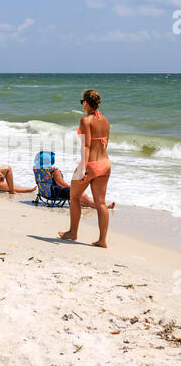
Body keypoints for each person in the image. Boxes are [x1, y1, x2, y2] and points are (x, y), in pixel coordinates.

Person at [59, 90, 111, 248]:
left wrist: (83, 168)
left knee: (74, 196)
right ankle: (102, 240)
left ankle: (72, 232)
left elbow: (86, 145)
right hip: (105, 164)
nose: (82, 103)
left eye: (82, 101)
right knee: (101, 203)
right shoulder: (106, 121)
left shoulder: (85, 120)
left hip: (91, 165)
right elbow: (105, 143)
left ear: (86, 103)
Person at [50, 166, 114, 210]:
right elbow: (62, 184)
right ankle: (102, 207)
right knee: (81, 194)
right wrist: (72, 187)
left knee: (82, 198)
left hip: (50, 192)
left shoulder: (42, 171)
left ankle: (96, 205)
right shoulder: (55, 171)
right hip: (59, 193)